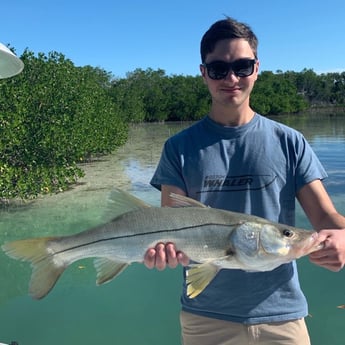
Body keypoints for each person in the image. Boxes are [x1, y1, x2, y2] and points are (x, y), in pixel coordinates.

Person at [144, 17, 345, 345]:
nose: (232, 78)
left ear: (257, 68)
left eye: (242, 65)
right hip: (204, 318)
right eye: (219, 69)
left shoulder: (290, 141)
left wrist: (343, 238)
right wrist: (163, 252)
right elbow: (171, 226)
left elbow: (326, 218)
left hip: (283, 315)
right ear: (203, 73)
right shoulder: (178, 148)